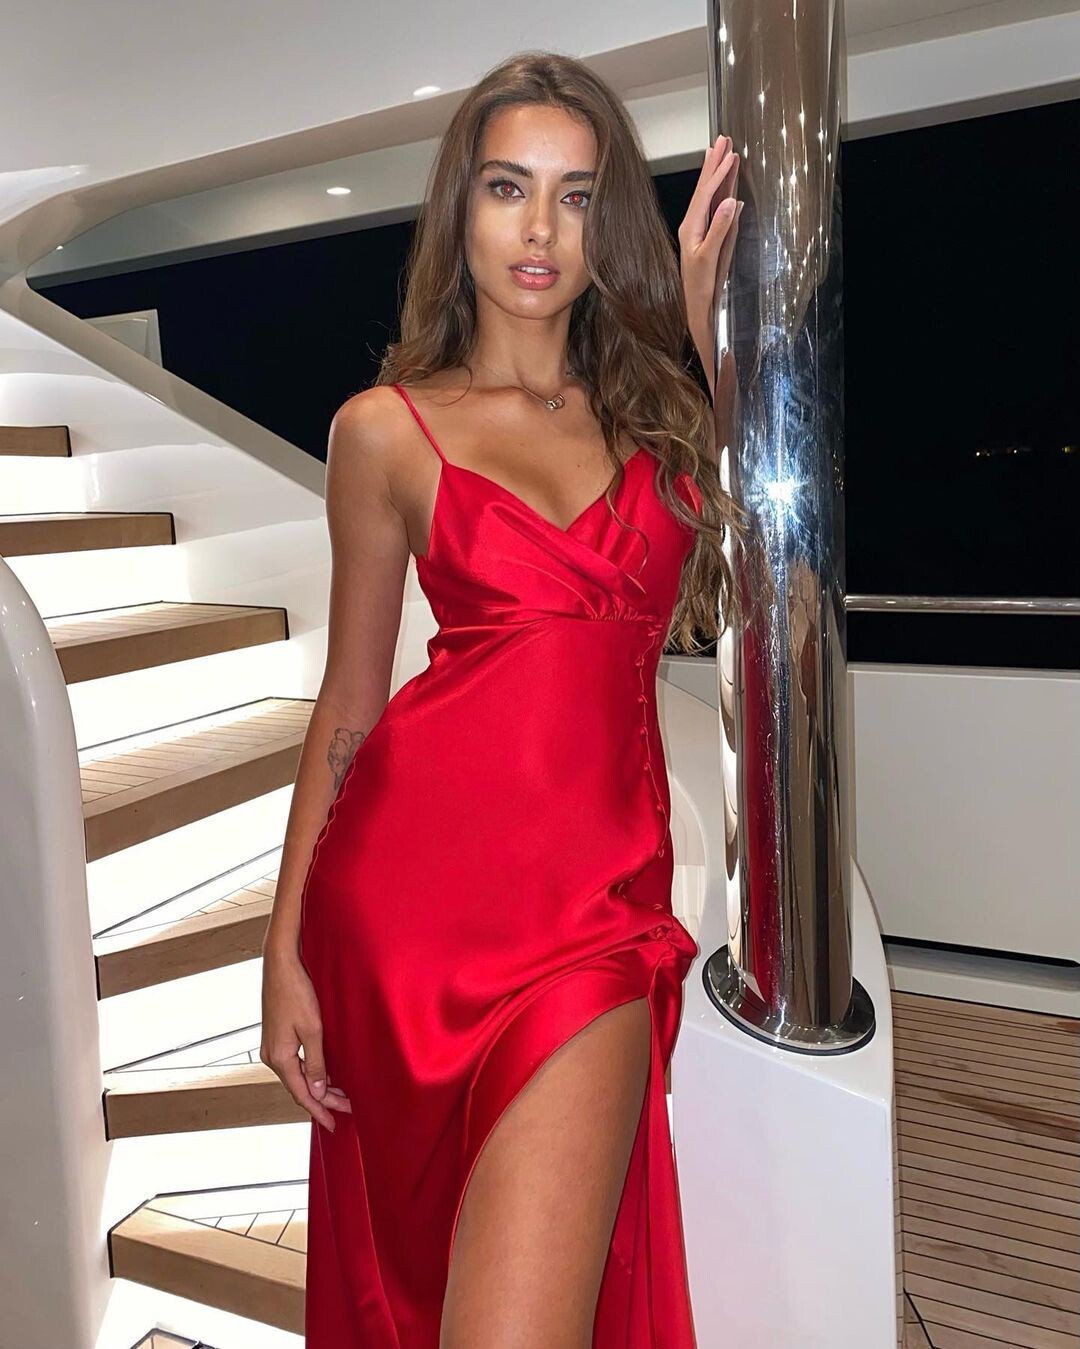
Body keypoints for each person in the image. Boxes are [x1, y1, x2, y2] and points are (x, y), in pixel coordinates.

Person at [261, 49, 744, 1349]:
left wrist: (704, 330)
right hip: (401, 921)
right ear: (459, 211)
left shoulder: (658, 419)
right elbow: (350, 704)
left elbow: (770, 552)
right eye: (507, 187)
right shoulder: (383, 430)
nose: (539, 228)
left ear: (607, 223)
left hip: (590, 920)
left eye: (576, 196)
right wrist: (285, 949)